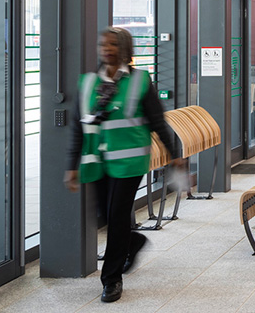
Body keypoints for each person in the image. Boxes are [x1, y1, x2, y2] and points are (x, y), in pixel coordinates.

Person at [65, 27, 185, 304]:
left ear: (124, 49)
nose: (106, 49)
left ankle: (111, 279)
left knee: (117, 215)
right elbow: (77, 127)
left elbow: (157, 120)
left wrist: (174, 154)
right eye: (102, 44)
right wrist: (71, 165)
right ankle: (133, 242)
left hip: (130, 161)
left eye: (112, 45)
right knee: (106, 217)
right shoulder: (87, 83)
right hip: (97, 161)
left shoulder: (140, 81)